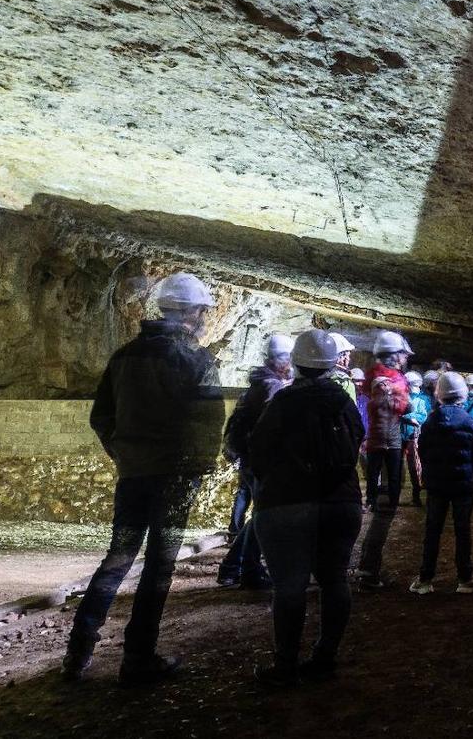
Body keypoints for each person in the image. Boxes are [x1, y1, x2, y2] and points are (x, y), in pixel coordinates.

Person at [62, 272, 224, 685]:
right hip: (174, 478)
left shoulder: (124, 357)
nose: (203, 318)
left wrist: (124, 454)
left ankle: (78, 651)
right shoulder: (196, 360)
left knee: (118, 556)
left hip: (133, 475)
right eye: (202, 311)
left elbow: (101, 417)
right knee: (158, 565)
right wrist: (198, 468)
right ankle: (138, 657)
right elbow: (208, 423)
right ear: (190, 312)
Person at [248, 330, 366, 686]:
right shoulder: (344, 402)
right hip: (340, 502)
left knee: (290, 585)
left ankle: (286, 665)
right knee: (335, 578)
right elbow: (356, 441)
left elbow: (258, 453)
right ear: (331, 365)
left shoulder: (282, 403)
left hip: (288, 503)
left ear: (296, 363)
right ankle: (325, 657)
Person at [218, 333, 294, 590]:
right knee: (265, 516)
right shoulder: (273, 387)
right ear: (280, 360)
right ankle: (243, 568)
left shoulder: (260, 383)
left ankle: (235, 567)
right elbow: (272, 429)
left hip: (252, 460)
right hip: (262, 462)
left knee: (262, 514)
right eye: (289, 359)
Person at [409, 373, 473, 595]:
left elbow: (422, 450)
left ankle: (425, 579)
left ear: (440, 395)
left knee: (432, 530)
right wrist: (470, 473)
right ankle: (465, 578)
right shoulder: (471, 423)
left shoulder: (430, 422)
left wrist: (431, 474)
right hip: (462, 485)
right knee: (462, 531)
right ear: (462, 395)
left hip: (437, 486)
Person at [356, 331, 413, 590]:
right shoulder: (390, 380)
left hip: (378, 444)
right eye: (402, 354)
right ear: (393, 355)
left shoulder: (372, 377)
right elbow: (402, 406)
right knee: (385, 506)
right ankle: (368, 569)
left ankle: (368, 565)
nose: (404, 359)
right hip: (387, 445)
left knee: (381, 505)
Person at [401, 371, 429, 507]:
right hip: (402, 435)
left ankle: (416, 495)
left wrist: (406, 417)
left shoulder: (423, 399)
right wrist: (408, 417)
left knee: (414, 467)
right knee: (400, 466)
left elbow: (423, 416)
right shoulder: (402, 397)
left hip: (414, 437)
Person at [327, 332, 358, 402]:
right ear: (342, 357)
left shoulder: (311, 378)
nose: (349, 359)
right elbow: (351, 408)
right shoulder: (344, 382)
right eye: (348, 355)